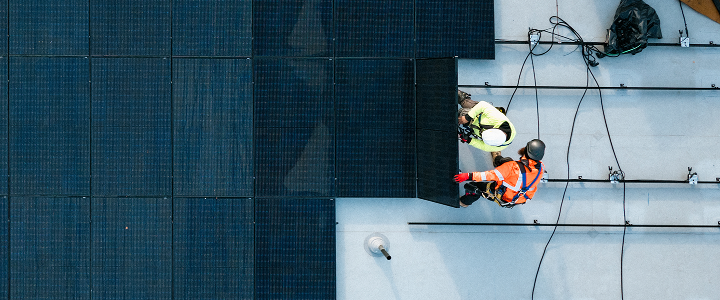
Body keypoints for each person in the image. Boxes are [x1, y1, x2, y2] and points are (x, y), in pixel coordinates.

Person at [453, 139, 545, 208]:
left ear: (525, 150)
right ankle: (497, 159)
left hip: (502, 196)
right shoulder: (541, 167)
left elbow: (489, 176)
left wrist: (467, 176)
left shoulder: (512, 167)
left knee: (473, 185)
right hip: (519, 198)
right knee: (506, 161)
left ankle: (464, 202)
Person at [457, 90, 516, 164]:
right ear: (495, 129)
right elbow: (482, 105)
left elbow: (483, 146)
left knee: (457, 117)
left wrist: (468, 140)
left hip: (475, 126)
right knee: (463, 109)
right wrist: (467, 117)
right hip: (479, 113)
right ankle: (464, 99)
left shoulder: (499, 146)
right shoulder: (497, 118)